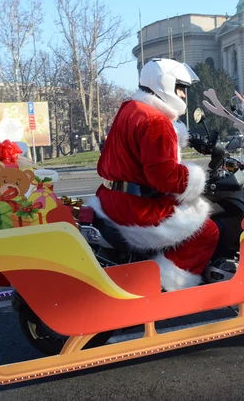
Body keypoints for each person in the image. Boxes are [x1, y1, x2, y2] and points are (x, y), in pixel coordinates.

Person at [88, 58, 220, 292]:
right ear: (164, 84)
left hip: (110, 197)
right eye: (180, 88)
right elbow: (165, 177)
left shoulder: (130, 109)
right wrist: (196, 180)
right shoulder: (156, 122)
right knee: (207, 230)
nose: (183, 95)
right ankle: (165, 285)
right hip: (136, 207)